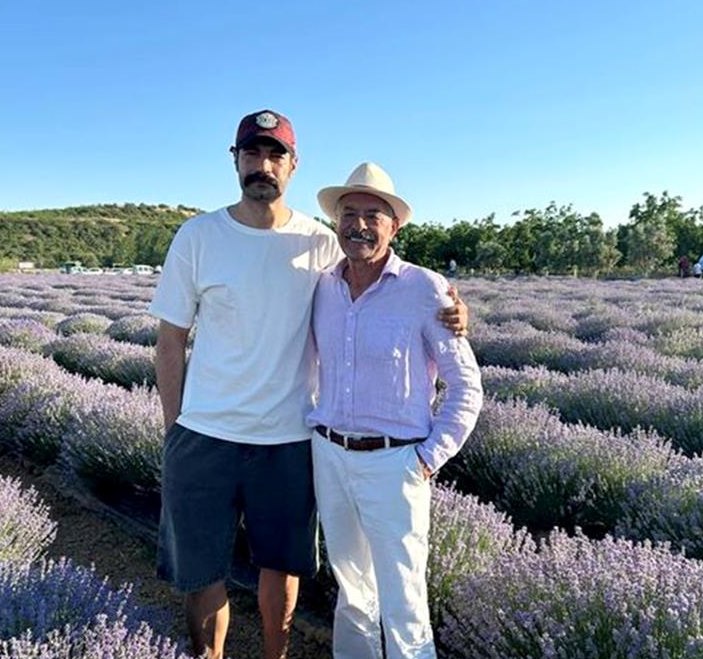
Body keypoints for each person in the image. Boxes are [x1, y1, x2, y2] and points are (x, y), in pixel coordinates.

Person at [149, 112, 468, 659]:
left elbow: (412, 313)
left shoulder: (321, 245)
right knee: (205, 573)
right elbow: (170, 340)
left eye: (275, 156)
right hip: (207, 436)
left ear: (292, 166)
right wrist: (175, 428)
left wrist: (454, 313)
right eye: (252, 153)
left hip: (290, 440)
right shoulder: (199, 237)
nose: (263, 166)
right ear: (236, 159)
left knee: (292, 569)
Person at [307, 162, 484, 658]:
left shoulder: (425, 289)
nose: (358, 225)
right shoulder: (322, 285)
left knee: (404, 601)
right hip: (330, 454)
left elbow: (467, 385)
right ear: (335, 221)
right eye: (349, 214)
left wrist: (427, 458)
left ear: (394, 226)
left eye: (372, 215)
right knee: (351, 591)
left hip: (396, 463)